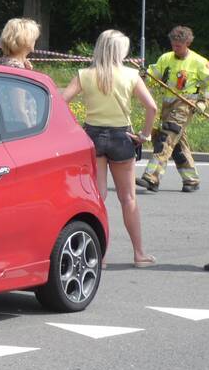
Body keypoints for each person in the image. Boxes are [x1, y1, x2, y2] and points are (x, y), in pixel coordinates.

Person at [63, 29, 157, 268]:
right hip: (122, 136)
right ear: (121, 51)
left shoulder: (85, 74)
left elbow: (62, 101)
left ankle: (100, 257)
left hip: (92, 136)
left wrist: (74, 129)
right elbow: (152, 107)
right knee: (128, 198)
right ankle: (139, 254)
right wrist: (144, 135)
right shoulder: (131, 75)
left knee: (98, 197)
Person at [136, 25, 209, 193]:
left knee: (166, 138)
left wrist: (203, 102)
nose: (175, 48)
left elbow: (208, 85)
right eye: (173, 45)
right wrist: (144, 75)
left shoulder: (199, 62)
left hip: (185, 105)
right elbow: (154, 75)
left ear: (188, 43)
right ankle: (191, 179)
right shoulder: (166, 58)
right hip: (168, 106)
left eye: (179, 45)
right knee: (176, 144)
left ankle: (151, 178)